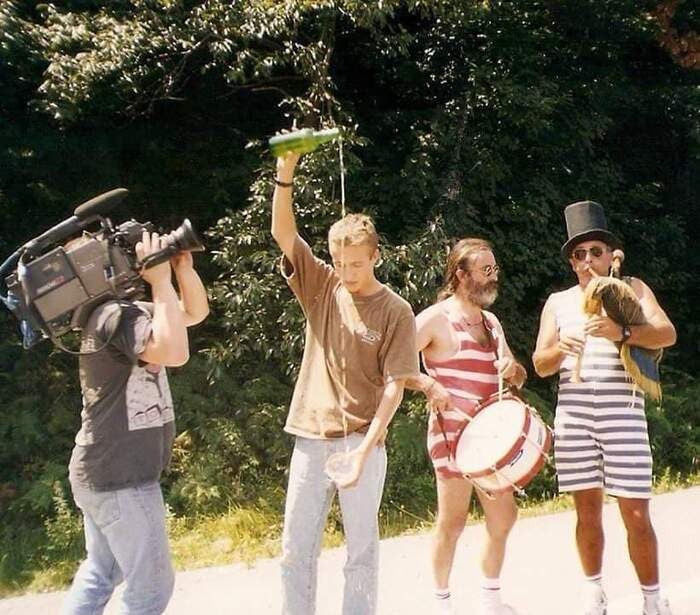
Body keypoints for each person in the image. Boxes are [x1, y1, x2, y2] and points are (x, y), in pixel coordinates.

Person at [271, 147, 420, 615]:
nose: (348, 273)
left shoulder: (396, 311)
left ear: (374, 255)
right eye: (340, 263)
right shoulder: (322, 285)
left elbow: (396, 386)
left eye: (357, 264)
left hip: (362, 442)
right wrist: (286, 172)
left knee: (360, 554)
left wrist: (362, 452)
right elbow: (283, 234)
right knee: (295, 551)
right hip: (310, 438)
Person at [532, 201, 676, 615]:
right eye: (579, 254)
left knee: (634, 511)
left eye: (595, 251)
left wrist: (622, 331)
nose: (587, 261)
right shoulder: (558, 302)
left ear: (610, 254)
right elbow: (540, 363)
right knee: (586, 512)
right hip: (575, 418)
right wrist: (562, 347)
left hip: (623, 415)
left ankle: (652, 598)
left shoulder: (631, 287)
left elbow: (666, 333)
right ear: (572, 262)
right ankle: (593, 592)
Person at [62, 231, 209, 615]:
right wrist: (160, 282)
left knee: (101, 572)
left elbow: (191, 315)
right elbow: (175, 352)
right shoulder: (115, 318)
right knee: (151, 590)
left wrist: (181, 270)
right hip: (120, 479)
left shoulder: (115, 313)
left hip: (102, 471)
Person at [408, 238, 527, 615]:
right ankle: (441, 601)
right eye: (485, 271)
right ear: (461, 274)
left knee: (504, 517)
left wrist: (515, 370)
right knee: (453, 521)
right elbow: (391, 363)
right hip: (452, 436)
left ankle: (490, 598)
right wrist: (427, 384)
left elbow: (517, 376)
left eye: (495, 270)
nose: (494, 278)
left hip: (491, 439)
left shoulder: (491, 322)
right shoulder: (434, 319)